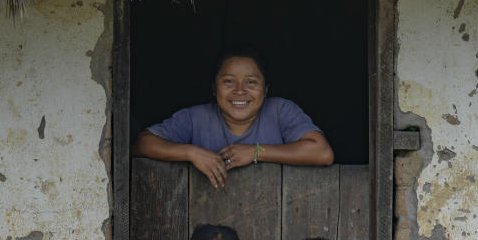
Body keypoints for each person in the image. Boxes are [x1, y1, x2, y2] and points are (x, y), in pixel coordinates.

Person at [133, 45, 334, 188]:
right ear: (214, 88)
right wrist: (192, 153)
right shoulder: (196, 118)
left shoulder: (279, 110)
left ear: (265, 90)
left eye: (251, 82)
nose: (240, 91)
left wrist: (256, 152)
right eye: (229, 82)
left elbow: (322, 153)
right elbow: (142, 144)